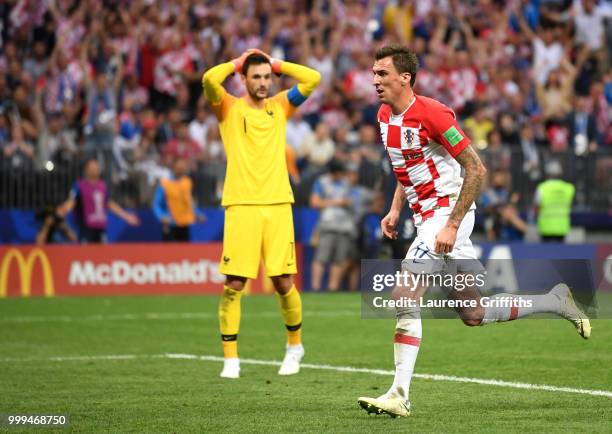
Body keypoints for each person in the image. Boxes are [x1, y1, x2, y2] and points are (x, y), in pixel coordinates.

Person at [357, 45, 591, 418]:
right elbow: (406, 166)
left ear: (405, 78)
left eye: (382, 74)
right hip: (425, 217)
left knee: (403, 294)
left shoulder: (433, 113)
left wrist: (451, 223)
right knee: (473, 312)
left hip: (447, 214)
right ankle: (554, 301)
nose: (375, 80)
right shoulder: (385, 115)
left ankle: (399, 393)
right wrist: (395, 207)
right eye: (374, 73)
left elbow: (477, 169)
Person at [202, 49, 320, 378]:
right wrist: (237, 62)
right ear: (243, 79)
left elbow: (313, 78)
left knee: (283, 282)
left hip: (278, 204)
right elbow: (209, 79)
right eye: (256, 76)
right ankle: (231, 359)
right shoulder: (227, 107)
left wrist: (278, 63)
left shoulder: (280, 106)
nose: (264, 82)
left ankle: (295, 346)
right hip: (241, 205)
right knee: (234, 283)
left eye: (268, 77)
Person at [57, 158, 139, 243]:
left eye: (96, 168)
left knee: (102, 254)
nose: (94, 170)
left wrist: (126, 216)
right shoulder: (80, 185)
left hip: (100, 228)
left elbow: (109, 203)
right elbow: (72, 201)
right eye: (91, 168)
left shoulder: (102, 186)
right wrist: (65, 209)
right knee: (85, 254)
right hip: (86, 228)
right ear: (86, 170)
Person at [309, 159, 355, 292]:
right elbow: (314, 202)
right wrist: (337, 202)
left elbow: (349, 200)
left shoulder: (346, 183)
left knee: (339, 259)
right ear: (334, 172)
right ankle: (315, 287)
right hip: (327, 225)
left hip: (344, 226)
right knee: (321, 257)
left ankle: (333, 287)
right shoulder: (322, 182)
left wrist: (345, 202)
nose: (342, 175)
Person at [152, 157, 204, 242]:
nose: (181, 170)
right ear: (173, 168)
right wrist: (162, 217)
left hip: (184, 223)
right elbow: (156, 205)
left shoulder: (187, 182)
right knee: (169, 253)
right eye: (179, 168)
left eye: (183, 168)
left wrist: (198, 214)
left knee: (184, 252)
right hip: (170, 224)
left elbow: (189, 202)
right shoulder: (165, 183)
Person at [534, 160, 575, 242]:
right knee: (560, 253)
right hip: (562, 227)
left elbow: (537, 206)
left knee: (546, 253)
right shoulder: (569, 188)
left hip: (545, 227)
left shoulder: (542, 188)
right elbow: (570, 205)